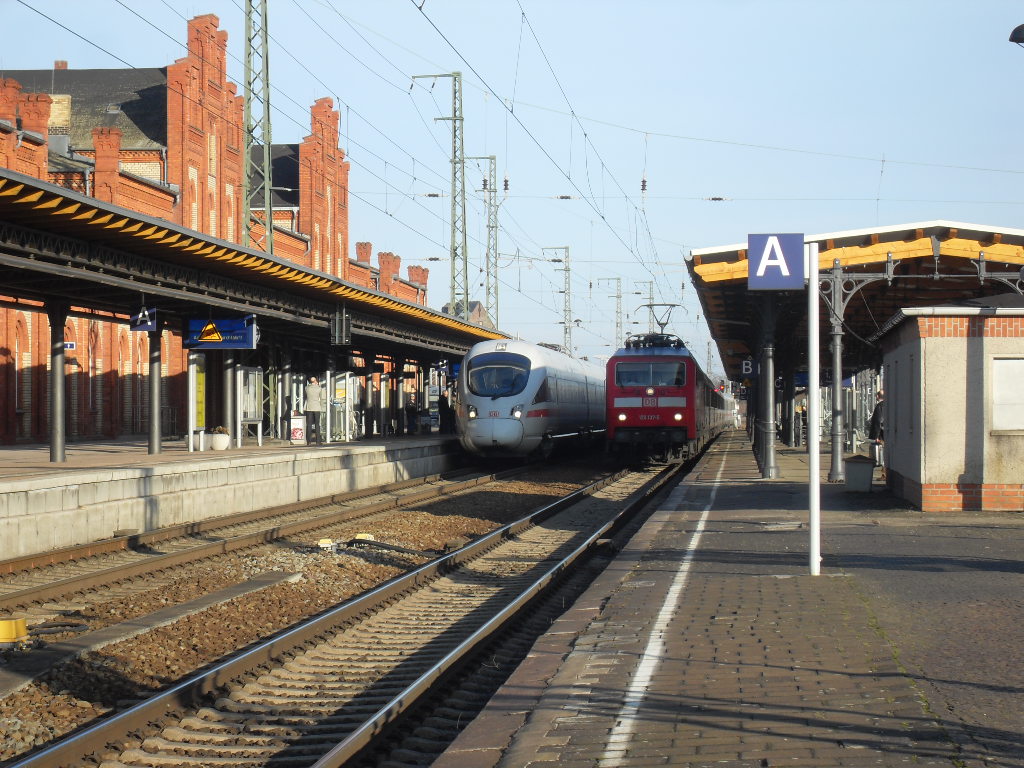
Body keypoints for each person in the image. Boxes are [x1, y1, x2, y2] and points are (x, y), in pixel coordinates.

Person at [304, 375, 325, 445]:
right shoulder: (319, 388)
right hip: (316, 407)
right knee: (317, 424)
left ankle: (308, 441)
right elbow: (322, 398)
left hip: (309, 407)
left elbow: (306, 396)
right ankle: (318, 441)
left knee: (309, 424)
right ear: (316, 381)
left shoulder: (307, 388)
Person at [868, 390, 885, 478]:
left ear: (878, 397)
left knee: (883, 455)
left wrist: (876, 436)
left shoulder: (879, 406)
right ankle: (884, 473)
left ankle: (884, 474)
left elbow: (878, 421)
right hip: (887, 433)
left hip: (882, 435)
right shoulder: (888, 405)